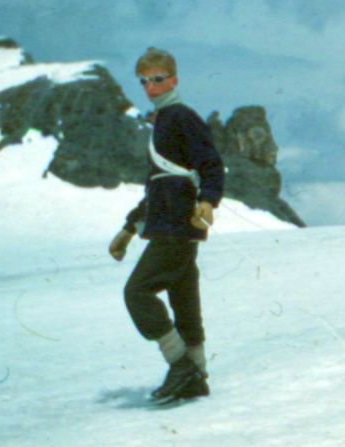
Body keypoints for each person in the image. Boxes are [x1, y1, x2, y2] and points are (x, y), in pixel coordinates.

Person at [108, 47, 225, 401]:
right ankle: (196, 372)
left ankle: (181, 367)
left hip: (178, 223)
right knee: (184, 298)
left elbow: (211, 164)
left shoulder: (181, 116)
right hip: (171, 223)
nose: (151, 87)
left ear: (173, 80)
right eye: (144, 81)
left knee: (137, 292)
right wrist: (130, 228)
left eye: (158, 79)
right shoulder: (162, 120)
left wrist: (208, 199)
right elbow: (158, 183)